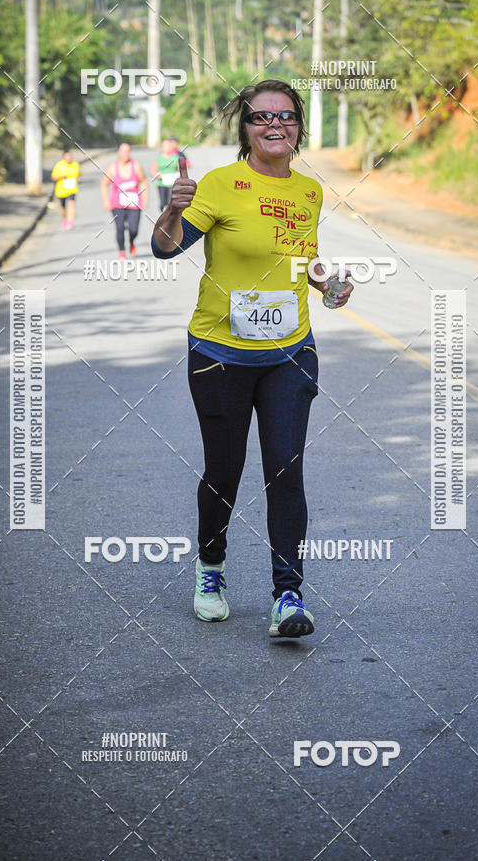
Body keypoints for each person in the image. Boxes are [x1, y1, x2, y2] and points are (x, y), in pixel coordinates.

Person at [151, 79, 353, 638]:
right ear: (244, 129)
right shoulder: (220, 185)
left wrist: (328, 285)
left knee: (286, 469)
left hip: (291, 353)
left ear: (299, 128)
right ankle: (211, 569)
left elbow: (300, 262)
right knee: (225, 470)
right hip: (218, 354)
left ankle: (288, 596)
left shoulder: (309, 193)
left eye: (285, 117)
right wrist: (171, 210)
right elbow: (165, 248)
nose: (274, 126)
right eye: (261, 117)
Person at [101, 143, 149, 259]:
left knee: (133, 229)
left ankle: (132, 242)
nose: (125, 154)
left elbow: (143, 182)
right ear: (118, 152)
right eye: (123, 151)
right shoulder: (113, 167)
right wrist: (106, 201)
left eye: (127, 151)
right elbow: (104, 184)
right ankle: (122, 250)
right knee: (120, 227)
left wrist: (145, 199)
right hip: (118, 204)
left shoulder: (136, 166)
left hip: (134, 203)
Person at [151, 137, 190, 212]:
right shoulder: (159, 158)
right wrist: (158, 175)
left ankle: (169, 218)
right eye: (166, 146)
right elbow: (153, 171)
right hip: (162, 183)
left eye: (169, 146)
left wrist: (181, 171)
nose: (168, 148)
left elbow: (181, 169)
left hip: (172, 183)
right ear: (162, 148)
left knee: (171, 201)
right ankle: (161, 214)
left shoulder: (176, 157)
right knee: (163, 202)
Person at [51, 148, 80, 229]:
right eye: (67, 157)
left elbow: (78, 175)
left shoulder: (75, 164)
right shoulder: (59, 165)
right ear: (63, 158)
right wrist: (61, 177)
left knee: (72, 203)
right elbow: (53, 178)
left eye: (70, 156)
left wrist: (78, 179)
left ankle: (71, 221)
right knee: (63, 206)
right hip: (61, 190)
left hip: (72, 189)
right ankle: (64, 220)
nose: (69, 158)